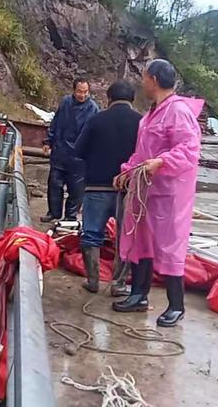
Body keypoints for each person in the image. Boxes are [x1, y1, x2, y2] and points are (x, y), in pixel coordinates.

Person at [112, 59, 203, 328]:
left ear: (153, 79)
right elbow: (143, 153)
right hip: (148, 192)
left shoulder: (177, 112)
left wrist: (162, 162)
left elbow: (189, 149)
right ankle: (139, 294)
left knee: (170, 245)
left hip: (170, 194)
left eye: (144, 76)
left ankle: (176, 306)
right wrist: (127, 171)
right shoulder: (154, 112)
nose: (142, 81)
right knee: (143, 242)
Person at [75, 81, 141, 294]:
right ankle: (118, 284)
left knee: (91, 234)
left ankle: (93, 281)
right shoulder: (142, 122)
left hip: (96, 187)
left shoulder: (96, 119)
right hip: (128, 189)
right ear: (132, 99)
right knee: (125, 236)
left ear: (109, 98)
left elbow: (79, 150)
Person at [41, 78, 99, 223]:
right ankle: (53, 212)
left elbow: (95, 133)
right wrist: (48, 141)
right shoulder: (65, 102)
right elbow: (55, 123)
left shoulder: (93, 109)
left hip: (79, 157)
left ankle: (70, 216)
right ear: (74, 91)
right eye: (80, 91)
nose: (83, 95)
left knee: (76, 189)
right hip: (60, 151)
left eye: (85, 92)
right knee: (55, 184)